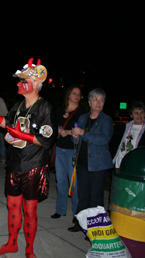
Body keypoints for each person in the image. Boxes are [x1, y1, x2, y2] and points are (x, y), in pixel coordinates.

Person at [0, 58, 57, 258]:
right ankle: (12, 243)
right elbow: (8, 123)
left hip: (34, 165)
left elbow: (46, 139)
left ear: (34, 84)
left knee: (30, 209)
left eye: (22, 80)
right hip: (15, 164)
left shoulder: (45, 108)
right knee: (12, 205)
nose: (17, 83)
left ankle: (29, 249)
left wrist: (19, 135)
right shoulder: (17, 106)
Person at [68, 88, 113, 233]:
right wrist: (75, 137)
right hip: (82, 163)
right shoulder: (83, 118)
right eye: (95, 99)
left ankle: (95, 229)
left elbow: (104, 139)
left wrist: (83, 133)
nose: (98, 103)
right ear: (89, 102)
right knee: (83, 196)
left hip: (98, 166)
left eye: (101, 100)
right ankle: (80, 224)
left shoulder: (106, 120)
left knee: (96, 198)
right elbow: (77, 140)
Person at [51, 84, 87, 222]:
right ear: (68, 95)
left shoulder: (82, 112)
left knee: (74, 183)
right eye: (74, 93)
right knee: (60, 181)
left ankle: (77, 214)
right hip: (59, 149)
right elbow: (53, 125)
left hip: (73, 150)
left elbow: (83, 131)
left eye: (78, 94)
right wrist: (58, 131)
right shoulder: (59, 109)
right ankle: (60, 210)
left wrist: (68, 132)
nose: (76, 96)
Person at [113, 101, 145, 168]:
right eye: (136, 113)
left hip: (138, 164)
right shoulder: (123, 128)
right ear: (131, 115)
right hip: (121, 162)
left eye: (141, 113)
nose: (139, 116)